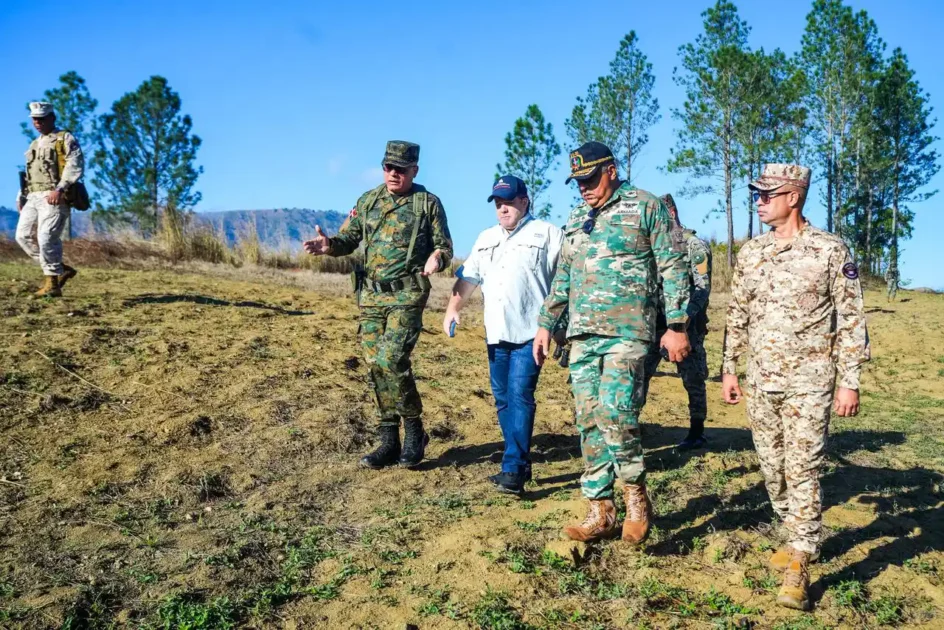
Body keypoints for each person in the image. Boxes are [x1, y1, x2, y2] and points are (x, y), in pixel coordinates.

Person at [721, 164, 870, 611]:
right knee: (772, 467)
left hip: (811, 381)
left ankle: (801, 560)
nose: (760, 201)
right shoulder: (752, 253)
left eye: (768, 194)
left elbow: (851, 319)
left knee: (803, 468)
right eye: (757, 195)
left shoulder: (828, 249)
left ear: (795, 197)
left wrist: (850, 381)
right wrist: (729, 368)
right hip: (761, 378)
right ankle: (795, 532)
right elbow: (737, 314)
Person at [533, 142, 691, 545]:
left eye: (589, 179)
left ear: (612, 171)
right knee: (588, 420)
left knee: (617, 413)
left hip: (628, 331)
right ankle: (600, 510)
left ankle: (636, 496)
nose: (584, 188)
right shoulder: (576, 218)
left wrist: (676, 324)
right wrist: (547, 323)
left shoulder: (645, 206)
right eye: (578, 182)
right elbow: (564, 275)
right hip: (584, 334)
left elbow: (673, 265)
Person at [304, 141, 453, 470]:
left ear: (414, 170)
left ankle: (415, 430)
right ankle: (389, 439)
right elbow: (349, 239)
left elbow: (445, 247)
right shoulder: (368, 201)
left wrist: (437, 259)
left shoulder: (426, 204)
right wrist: (329, 246)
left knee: (392, 358)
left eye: (401, 169)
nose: (393, 174)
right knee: (375, 363)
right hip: (371, 296)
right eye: (388, 167)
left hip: (407, 295)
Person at [443, 175, 563, 495]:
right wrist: (453, 309)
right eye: (497, 203)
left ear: (524, 201)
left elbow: (566, 281)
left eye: (508, 201)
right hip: (496, 334)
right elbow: (468, 278)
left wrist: (558, 327)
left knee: (520, 395)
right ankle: (519, 462)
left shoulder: (548, 234)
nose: (502, 208)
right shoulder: (485, 238)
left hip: (531, 333)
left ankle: (512, 468)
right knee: (502, 399)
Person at [641, 193, 712, 450]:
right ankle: (632, 427)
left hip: (686, 327)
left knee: (692, 377)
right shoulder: (650, 246)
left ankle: (697, 431)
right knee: (640, 374)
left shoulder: (694, 246)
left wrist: (682, 319)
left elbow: (703, 289)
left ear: (670, 213)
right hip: (652, 324)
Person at [15, 101, 84, 297]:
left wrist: (60, 189)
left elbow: (75, 165)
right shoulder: (34, 143)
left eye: (41, 118)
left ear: (52, 118)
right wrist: (21, 196)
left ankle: (52, 285)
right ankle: (59, 269)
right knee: (22, 237)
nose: (37, 122)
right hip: (33, 196)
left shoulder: (65, 138)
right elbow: (30, 173)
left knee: (46, 238)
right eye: (34, 119)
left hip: (54, 196)